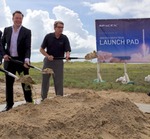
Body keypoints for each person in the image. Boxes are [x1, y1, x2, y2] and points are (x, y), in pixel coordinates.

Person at [1, 11, 33, 112]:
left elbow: (28, 47)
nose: (18, 20)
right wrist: (4, 55)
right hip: (9, 61)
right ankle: (9, 105)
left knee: (26, 82)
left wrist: (27, 60)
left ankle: (29, 102)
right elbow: (1, 45)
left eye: (20, 18)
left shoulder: (27, 31)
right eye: (16, 18)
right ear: (13, 18)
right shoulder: (6, 30)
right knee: (9, 84)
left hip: (21, 62)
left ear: (22, 19)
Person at [40, 20, 71, 100]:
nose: (61, 29)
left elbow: (67, 50)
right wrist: (47, 56)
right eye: (59, 27)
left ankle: (59, 99)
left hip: (59, 62)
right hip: (48, 61)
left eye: (62, 28)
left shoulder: (64, 38)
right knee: (45, 81)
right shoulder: (48, 36)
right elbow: (41, 49)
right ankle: (43, 99)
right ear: (55, 28)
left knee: (58, 81)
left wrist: (67, 55)